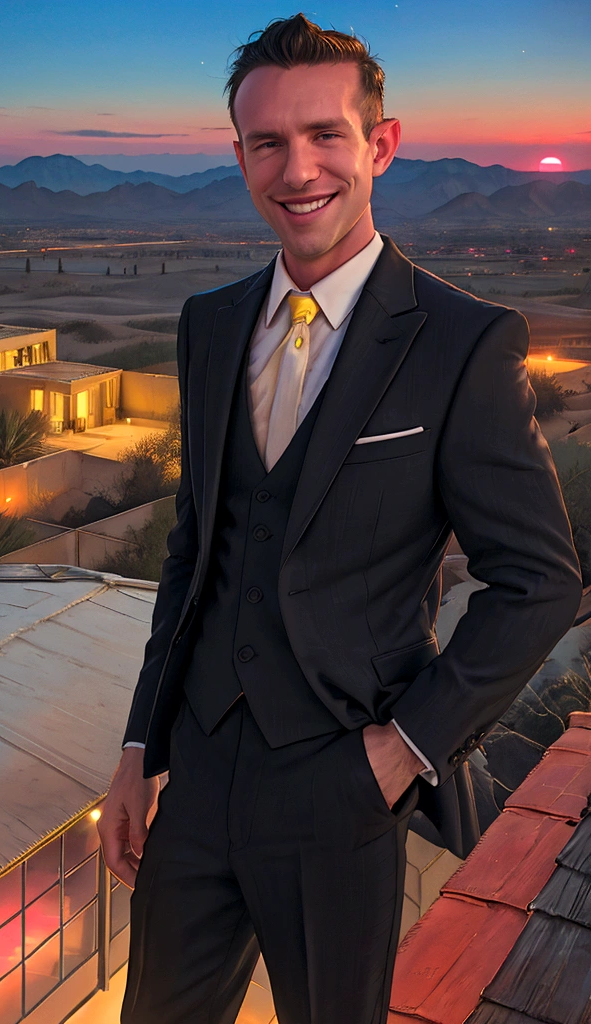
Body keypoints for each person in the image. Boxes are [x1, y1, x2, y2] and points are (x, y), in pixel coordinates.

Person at [99, 14, 582, 1024]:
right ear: (239, 159)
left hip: (342, 781)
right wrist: (141, 747)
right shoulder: (210, 324)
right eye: (268, 142)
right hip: (196, 774)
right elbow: (195, 550)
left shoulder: (464, 342)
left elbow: (538, 582)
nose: (298, 167)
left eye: (325, 135)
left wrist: (403, 750)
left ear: (382, 144)